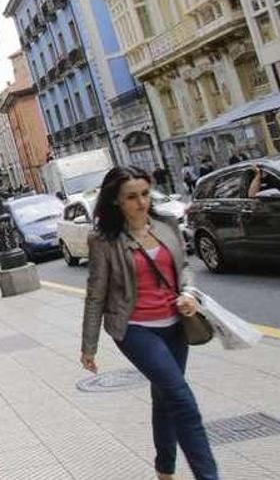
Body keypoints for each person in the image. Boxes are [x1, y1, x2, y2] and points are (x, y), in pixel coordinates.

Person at [81, 167, 218, 480]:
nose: (141, 202)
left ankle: (164, 470)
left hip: (175, 325)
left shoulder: (166, 225)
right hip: (135, 329)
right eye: (131, 197)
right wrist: (89, 347)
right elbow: (95, 294)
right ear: (116, 201)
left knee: (165, 396)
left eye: (145, 194)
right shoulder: (104, 240)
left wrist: (188, 292)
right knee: (182, 399)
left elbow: (185, 269)